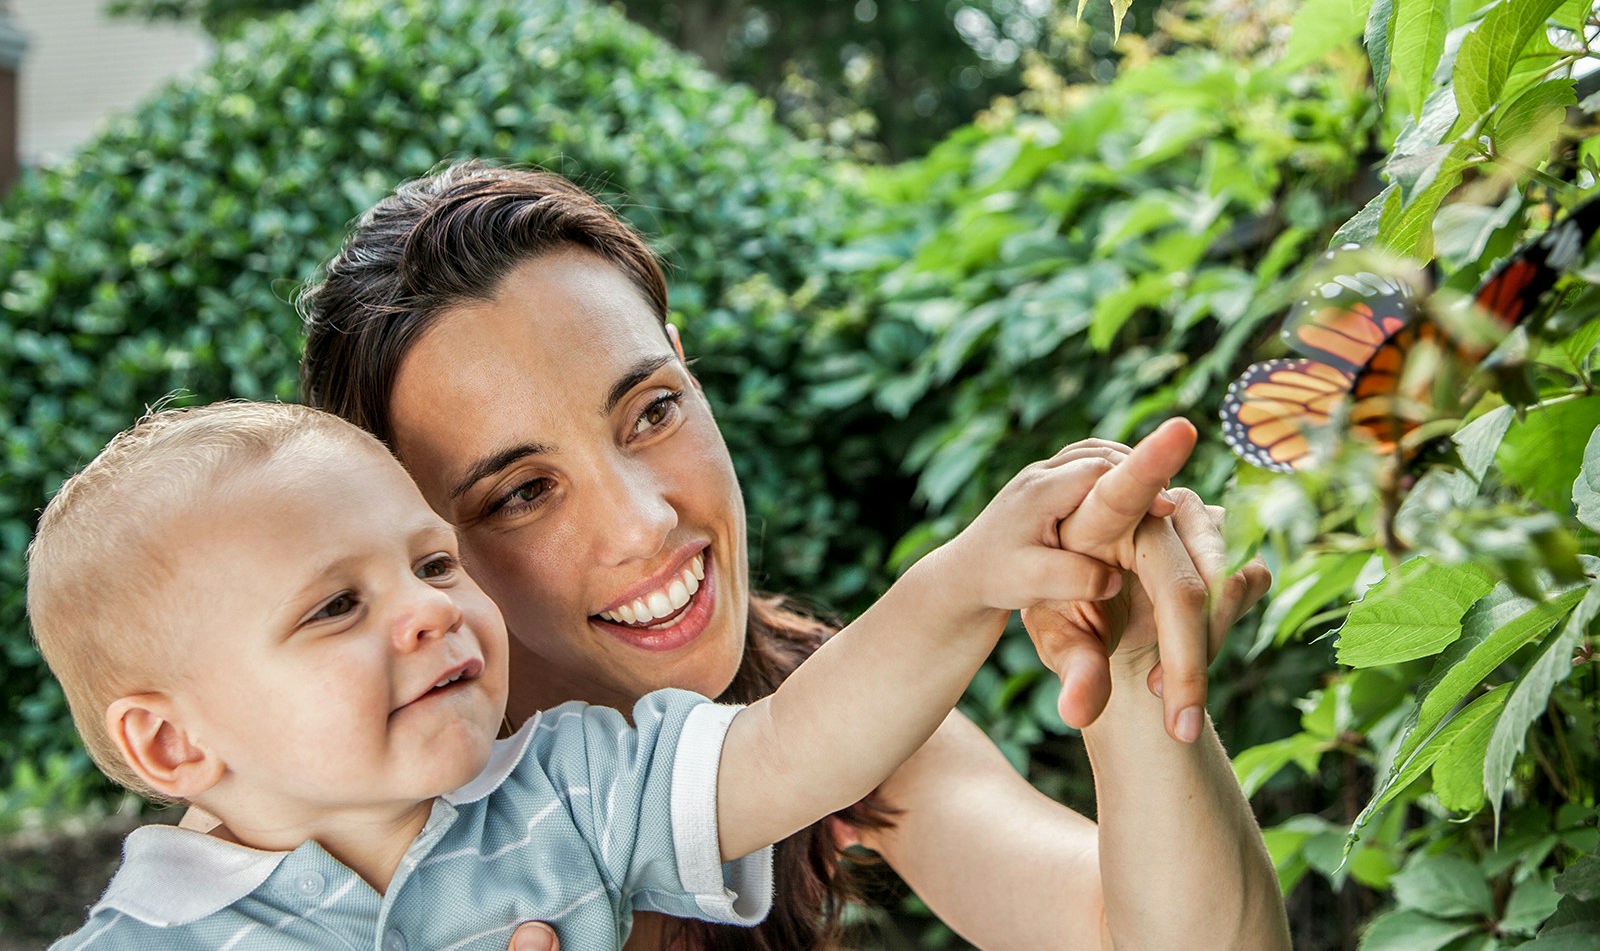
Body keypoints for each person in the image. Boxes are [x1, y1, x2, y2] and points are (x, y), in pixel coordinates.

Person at [298, 161, 1291, 951]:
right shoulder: (328, 849)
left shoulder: (840, 715)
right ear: (417, 543)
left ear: (689, 367)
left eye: (651, 410)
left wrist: (1129, 665)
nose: (643, 523)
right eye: (520, 493)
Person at [31, 400, 1179, 950]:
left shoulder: (571, 791)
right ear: (173, 745)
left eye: (433, 560)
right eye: (338, 605)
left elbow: (796, 745)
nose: (431, 608)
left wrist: (968, 575)